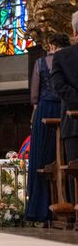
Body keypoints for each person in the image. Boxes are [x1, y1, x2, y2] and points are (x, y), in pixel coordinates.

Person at [26, 32, 71, 222]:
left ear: (51, 45)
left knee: (42, 160)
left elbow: (34, 95)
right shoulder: (70, 61)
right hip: (64, 108)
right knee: (64, 156)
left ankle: (40, 210)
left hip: (44, 110)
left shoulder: (41, 63)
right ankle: (68, 201)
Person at [52, 11, 78, 200]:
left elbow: (59, 87)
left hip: (72, 121)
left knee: (74, 170)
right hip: (72, 122)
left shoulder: (61, 57)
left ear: (74, 32)